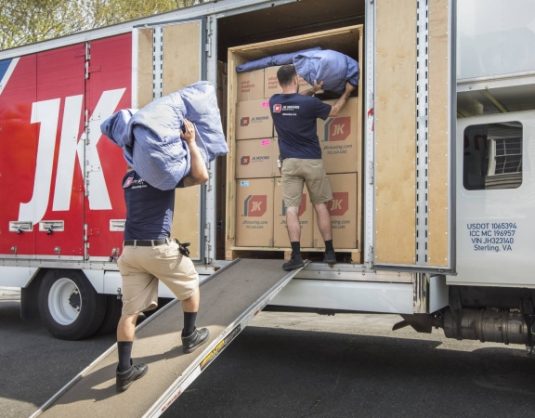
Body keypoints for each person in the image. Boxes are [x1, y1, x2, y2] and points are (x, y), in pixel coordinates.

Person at [115, 119, 210, 393]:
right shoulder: (162, 175)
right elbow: (201, 176)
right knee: (191, 285)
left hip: (130, 252)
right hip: (157, 248)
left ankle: (124, 371)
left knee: (129, 314)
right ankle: (190, 335)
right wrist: (190, 142)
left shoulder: (127, 179)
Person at [270, 64, 355, 271]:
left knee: (291, 208)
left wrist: (313, 90)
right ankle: (329, 252)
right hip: (312, 161)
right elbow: (333, 111)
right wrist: (348, 91)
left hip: (289, 163)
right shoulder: (309, 103)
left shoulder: (274, 103)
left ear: (281, 83)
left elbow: (294, 100)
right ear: (296, 80)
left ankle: (296, 255)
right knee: (320, 205)